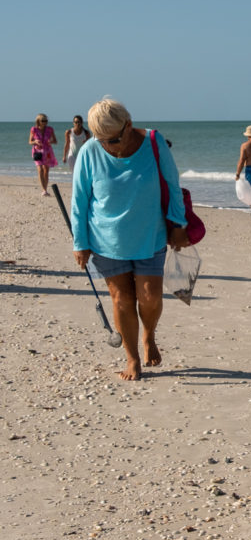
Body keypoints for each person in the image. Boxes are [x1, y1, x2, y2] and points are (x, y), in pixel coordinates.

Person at [70, 98, 190, 381]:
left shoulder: (153, 141)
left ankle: (149, 334)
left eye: (113, 139)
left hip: (150, 235)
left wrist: (179, 224)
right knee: (121, 298)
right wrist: (80, 242)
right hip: (105, 238)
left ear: (128, 125)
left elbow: (173, 184)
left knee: (150, 298)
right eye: (102, 140)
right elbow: (79, 200)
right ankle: (132, 357)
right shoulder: (89, 151)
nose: (108, 146)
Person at [29, 113, 58, 195]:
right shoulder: (33, 129)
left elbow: (55, 141)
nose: (45, 122)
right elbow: (30, 141)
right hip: (37, 152)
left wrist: (51, 141)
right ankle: (44, 190)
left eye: (46, 120)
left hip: (47, 152)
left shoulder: (50, 129)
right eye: (43, 120)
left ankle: (45, 189)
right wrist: (35, 141)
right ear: (38, 121)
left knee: (46, 171)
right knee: (40, 170)